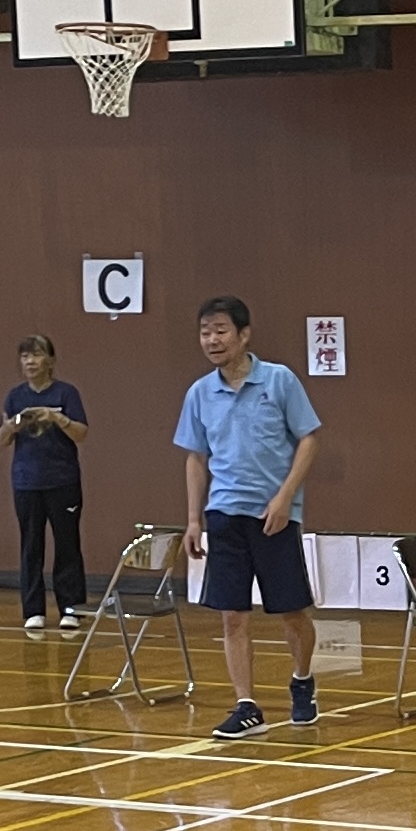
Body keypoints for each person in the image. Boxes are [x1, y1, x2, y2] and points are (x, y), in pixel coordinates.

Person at [173, 297, 323, 738]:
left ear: (244, 335)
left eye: (221, 330)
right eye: (205, 332)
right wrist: (194, 519)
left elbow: (309, 439)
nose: (212, 340)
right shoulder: (200, 393)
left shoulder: (279, 380)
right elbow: (195, 458)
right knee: (232, 616)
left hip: (274, 516)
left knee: (291, 612)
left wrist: (285, 497)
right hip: (224, 514)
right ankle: (247, 705)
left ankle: (302, 680)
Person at [2, 335, 90, 634]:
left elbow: (81, 433)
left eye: (36, 355)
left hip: (62, 480)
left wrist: (56, 418)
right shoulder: (15, 396)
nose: (30, 361)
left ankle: (71, 608)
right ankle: (34, 609)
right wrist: (14, 425)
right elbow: (1, 438)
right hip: (26, 482)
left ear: (50, 360)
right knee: (31, 546)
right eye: (25, 356)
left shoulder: (66, 393)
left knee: (67, 544)